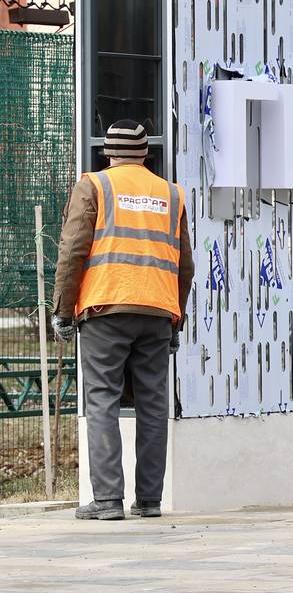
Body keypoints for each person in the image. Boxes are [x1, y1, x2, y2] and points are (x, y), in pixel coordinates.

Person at [50, 120, 195, 520]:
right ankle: (149, 501)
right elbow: (185, 267)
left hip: (105, 310)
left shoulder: (94, 186)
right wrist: (175, 323)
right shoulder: (171, 193)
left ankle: (108, 500)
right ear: (146, 154)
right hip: (156, 314)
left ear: (107, 153)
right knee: (152, 405)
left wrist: (63, 310)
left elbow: (73, 250)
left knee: (102, 401)